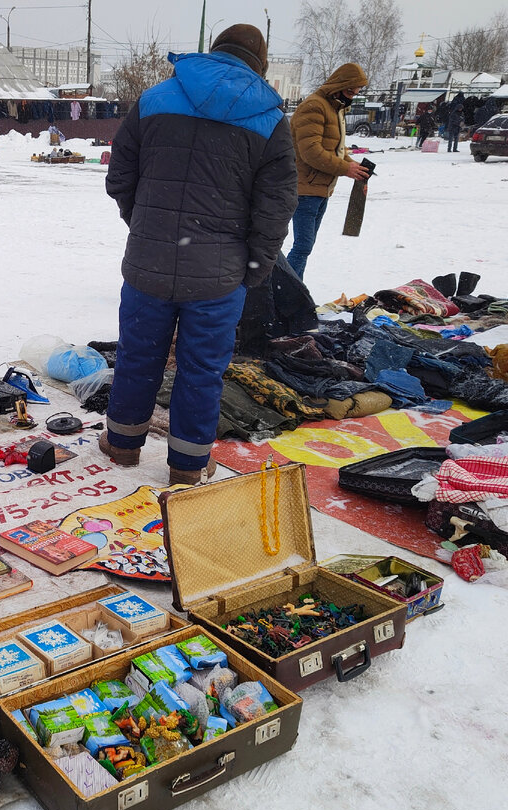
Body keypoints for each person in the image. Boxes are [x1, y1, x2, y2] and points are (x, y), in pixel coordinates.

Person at [101, 25, 297, 486]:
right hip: (218, 274)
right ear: (260, 64)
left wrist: (146, 224)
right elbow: (275, 208)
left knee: (138, 355)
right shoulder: (270, 118)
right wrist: (255, 267)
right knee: (202, 369)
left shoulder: (154, 99)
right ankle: (188, 466)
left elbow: (119, 176)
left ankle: (123, 445)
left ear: (214, 52)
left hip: (148, 263)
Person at [285, 62, 370, 279]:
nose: (352, 96)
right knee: (302, 247)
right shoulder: (314, 106)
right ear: (338, 85)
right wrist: (345, 168)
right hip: (305, 189)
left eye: (356, 92)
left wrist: (355, 167)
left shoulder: (335, 109)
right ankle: (285, 294)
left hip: (321, 189)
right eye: (349, 91)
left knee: (305, 247)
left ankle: (294, 294)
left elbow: (335, 149)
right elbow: (311, 152)